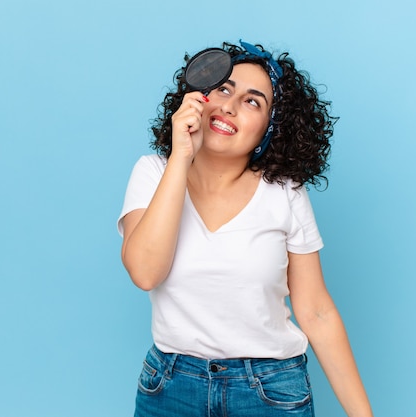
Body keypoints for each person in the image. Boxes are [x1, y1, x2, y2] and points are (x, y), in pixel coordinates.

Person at [117, 40, 373, 417]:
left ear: (271, 128)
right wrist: (182, 156)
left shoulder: (285, 194)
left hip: (270, 391)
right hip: (169, 389)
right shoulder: (153, 172)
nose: (230, 106)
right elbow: (145, 272)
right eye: (223, 89)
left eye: (253, 101)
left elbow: (316, 311)